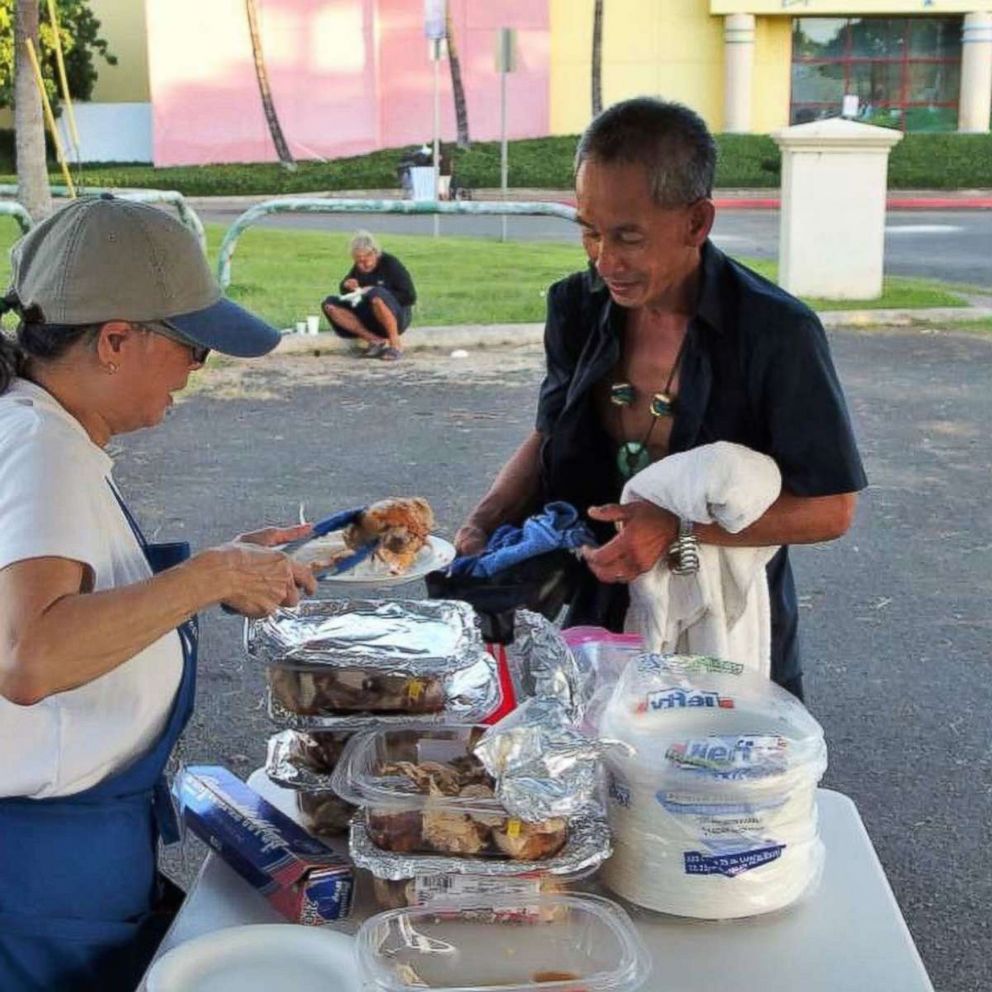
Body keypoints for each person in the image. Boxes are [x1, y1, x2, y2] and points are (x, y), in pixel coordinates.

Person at [0, 195, 318, 992]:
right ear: (115, 340)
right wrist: (207, 574)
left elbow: (87, 596)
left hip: (72, 849)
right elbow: (31, 655)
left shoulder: (46, 433)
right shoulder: (42, 448)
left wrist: (217, 575)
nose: (197, 368)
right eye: (192, 346)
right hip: (43, 869)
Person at [455, 98, 867, 700]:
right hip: (601, 587)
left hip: (725, 616)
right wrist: (487, 519)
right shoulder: (576, 307)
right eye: (590, 232)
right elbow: (550, 430)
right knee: (588, 755)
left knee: (719, 773)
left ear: (697, 223)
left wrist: (678, 529)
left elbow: (832, 508)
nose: (605, 259)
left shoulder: (776, 332)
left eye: (628, 237)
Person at [322, 231, 416, 361]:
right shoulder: (358, 267)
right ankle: (374, 340)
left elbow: (410, 296)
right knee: (330, 303)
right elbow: (346, 292)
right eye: (358, 261)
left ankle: (395, 345)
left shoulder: (390, 264)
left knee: (376, 295)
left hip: (395, 316)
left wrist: (377, 291)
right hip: (369, 317)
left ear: (374, 253)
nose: (362, 265)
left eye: (366, 260)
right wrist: (348, 286)